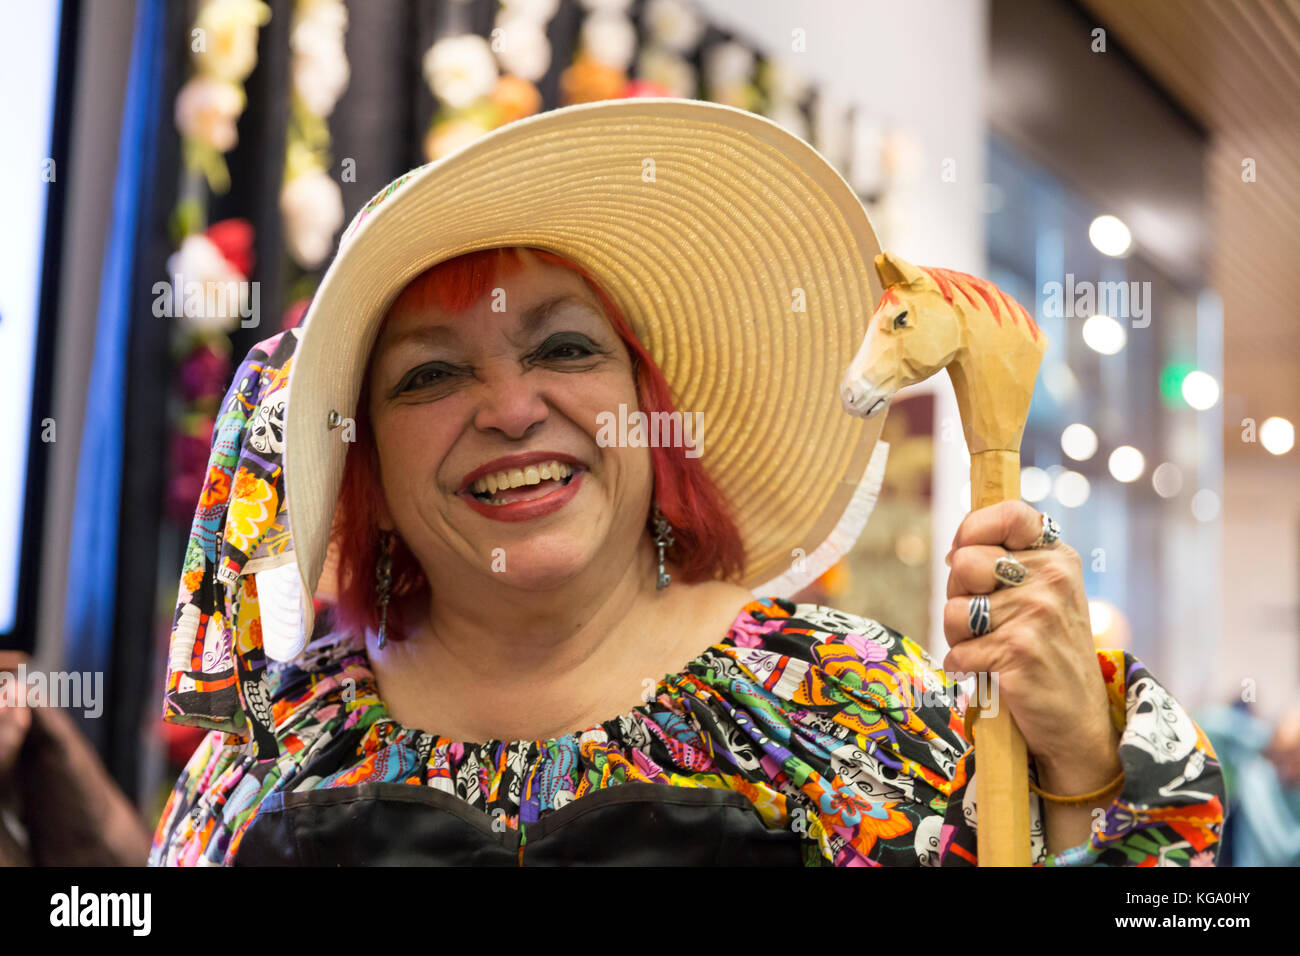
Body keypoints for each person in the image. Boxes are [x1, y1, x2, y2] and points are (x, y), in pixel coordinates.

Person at [148, 98, 1224, 867]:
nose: (512, 406)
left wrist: (1083, 768)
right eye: (431, 372)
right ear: (366, 457)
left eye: (564, 349)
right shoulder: (269, 758)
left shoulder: (862, 713)